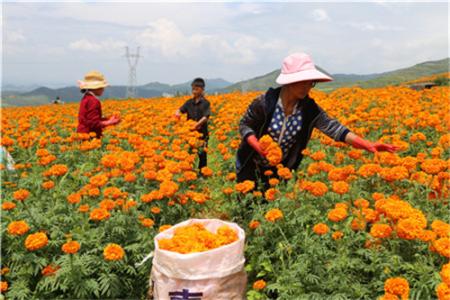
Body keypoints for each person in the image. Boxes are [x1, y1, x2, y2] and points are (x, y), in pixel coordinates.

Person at [236, 52, 398, 190]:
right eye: (303, 82)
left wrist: (367, 145)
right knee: (247, 206)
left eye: (310, 83)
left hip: (280, 168)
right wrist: (256, 145)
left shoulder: (309, 109)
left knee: (269, 208)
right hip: (251, 164)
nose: (307, 87)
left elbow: (335, 129)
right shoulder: (264, 103)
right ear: (289, 81)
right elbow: (245, 125)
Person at [174, 78, 211, 171]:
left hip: (202, 133)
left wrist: (196, 125)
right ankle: (189, 171)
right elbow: (180, 110)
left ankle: (202, 173)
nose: (194, 91)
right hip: (190, 134)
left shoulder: (205, 103)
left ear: (202, 90)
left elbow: (206, 117)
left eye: (196, 89)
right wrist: (177, 113)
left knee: (202, 154)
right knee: (190, 153)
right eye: (193, 89)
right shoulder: (189, 102)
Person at [77, 71, 120, 138]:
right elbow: (93, 123)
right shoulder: (93, 101)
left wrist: (107, 119)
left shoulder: (86, 97)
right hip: (89, 137)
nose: (103, 89)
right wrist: (109, 123)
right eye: (102, 87)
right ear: (97, 88)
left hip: (82, 134)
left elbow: (89, 119)